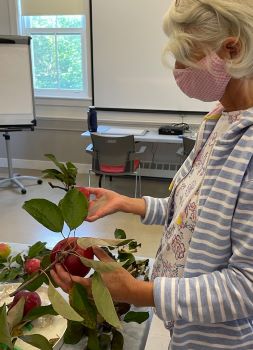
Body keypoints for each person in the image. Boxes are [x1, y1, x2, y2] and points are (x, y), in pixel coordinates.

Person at [51, 0, 253, 348]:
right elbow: (193, 215)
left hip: (221, 339)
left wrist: (141, 292)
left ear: (231, 49)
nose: (177, 70)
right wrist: (129, 203)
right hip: (187, 327)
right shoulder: (217, 119)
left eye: (186, 55)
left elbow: (245, 286)